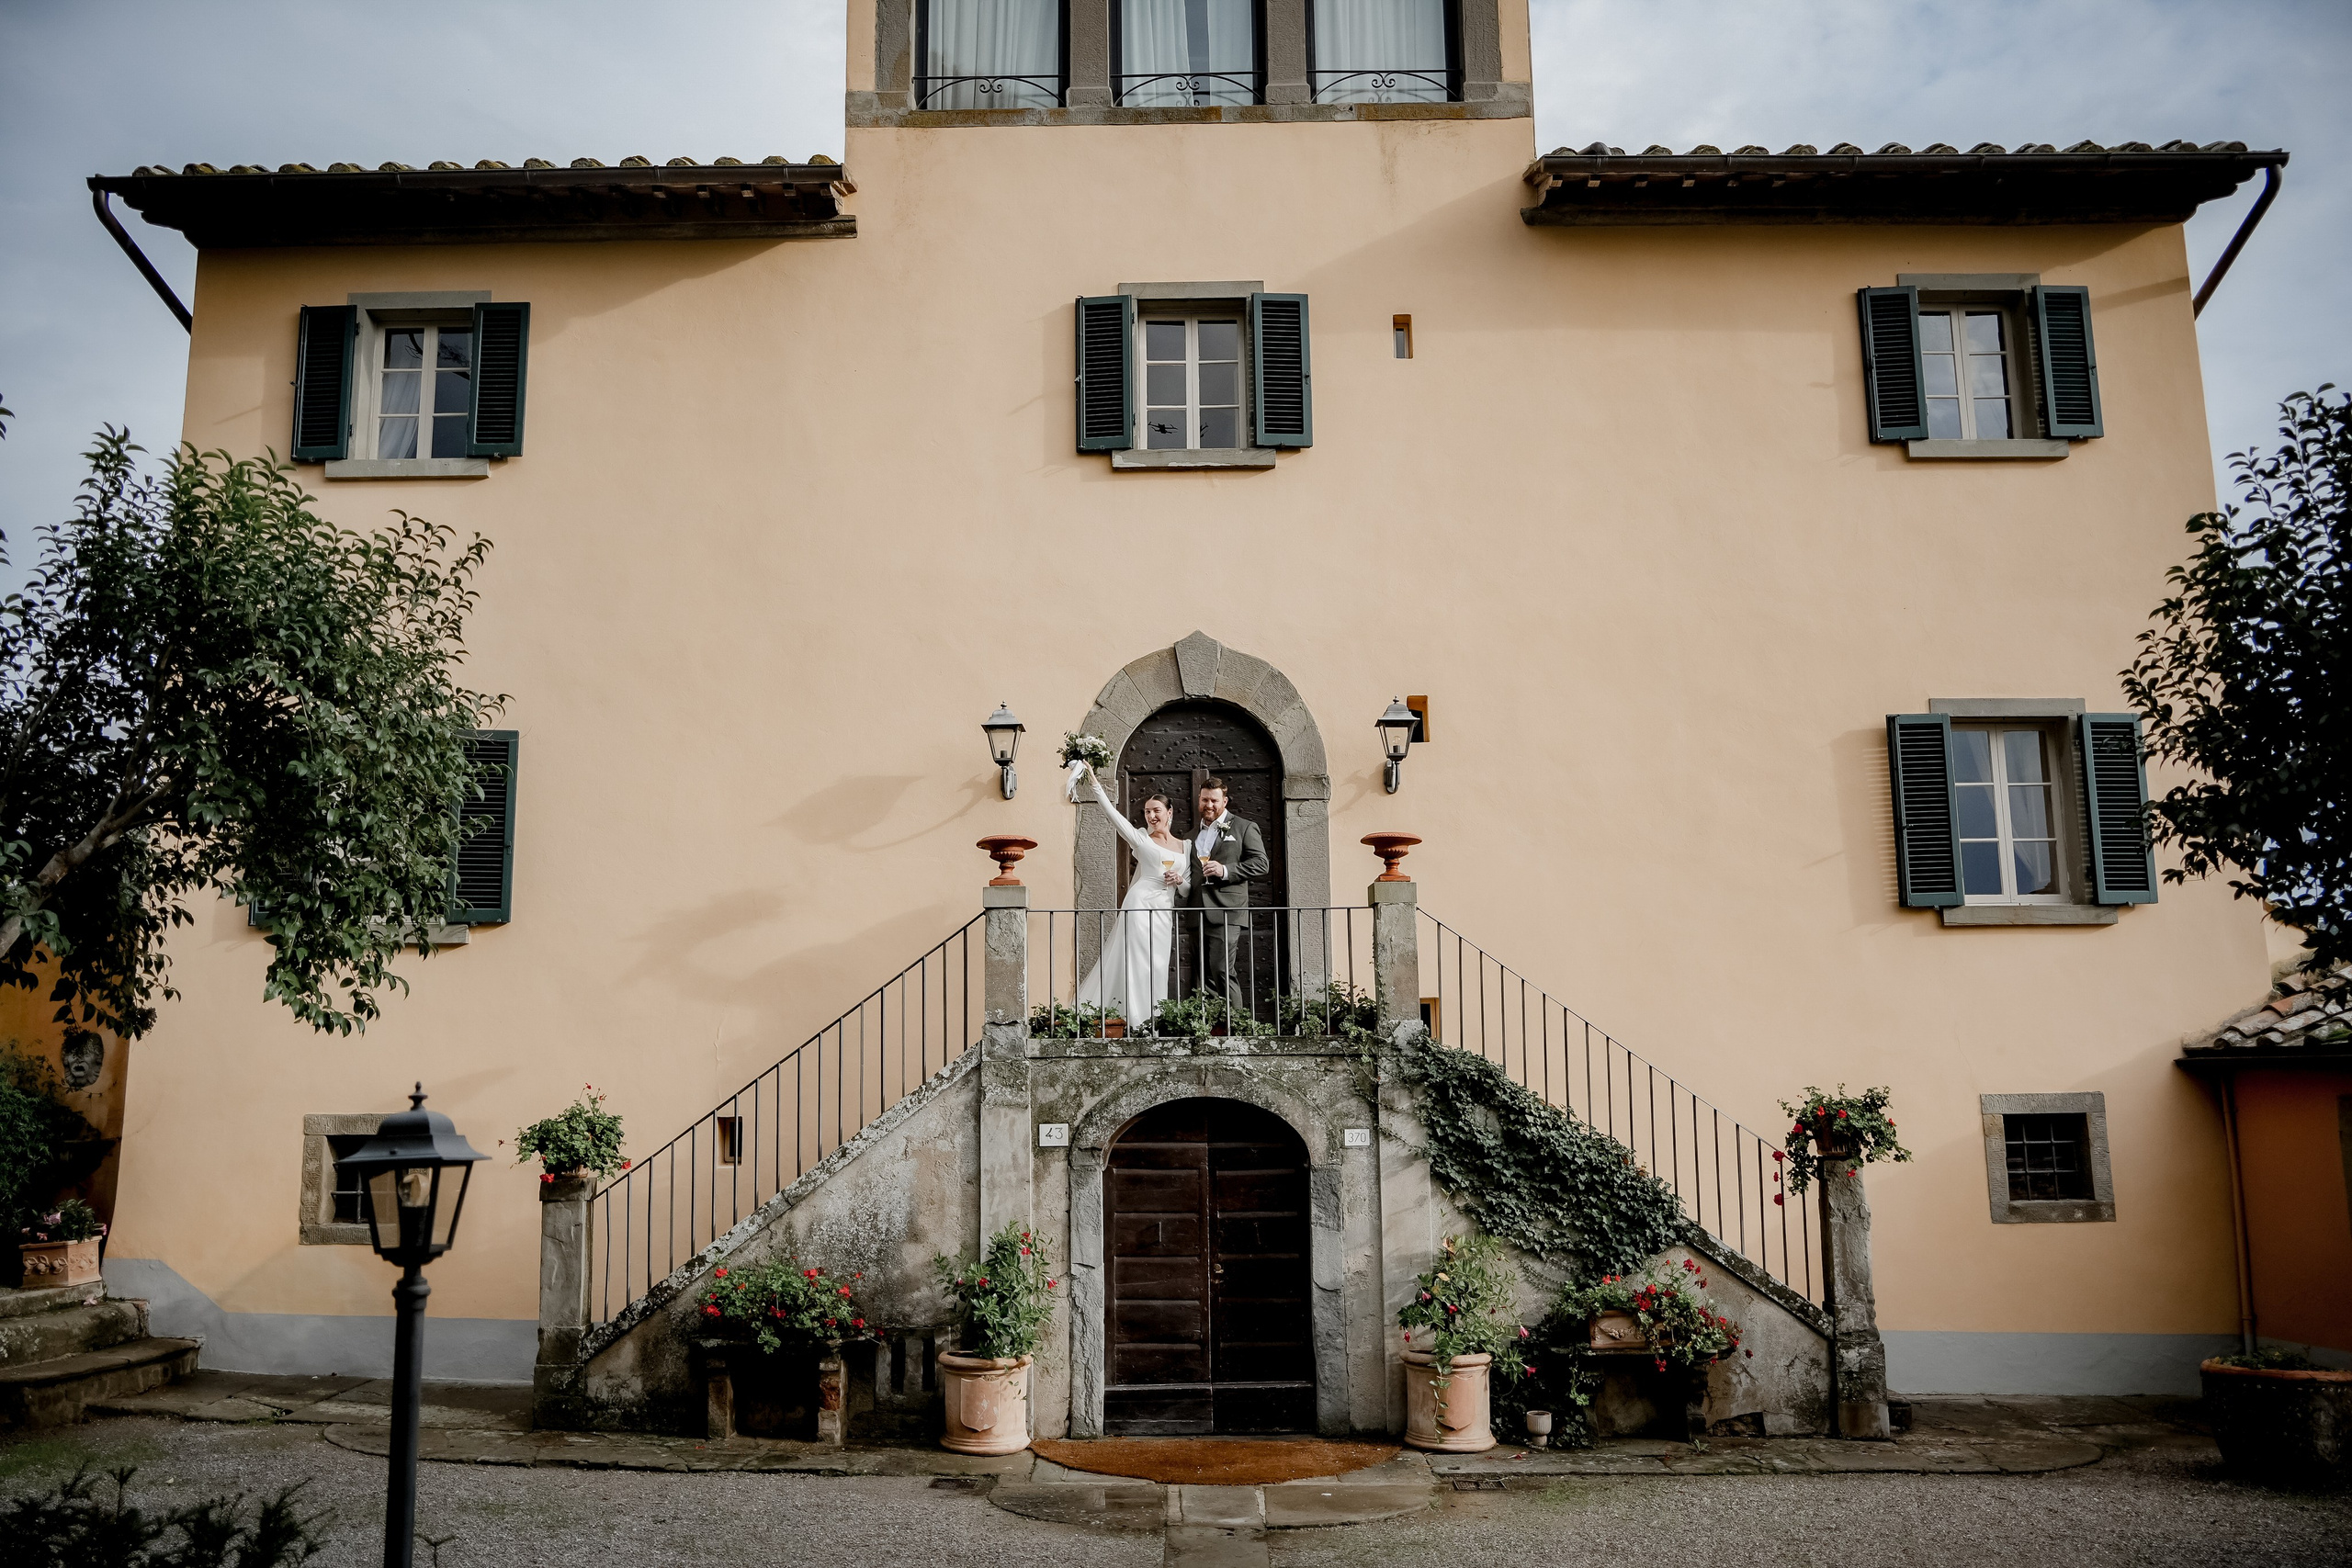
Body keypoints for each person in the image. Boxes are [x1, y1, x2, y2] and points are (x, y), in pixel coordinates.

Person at [1073, 765, 1191, 1024]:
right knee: (1137, 963)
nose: (1151, 816)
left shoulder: (1186, 846)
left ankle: (1155, 1019)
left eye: (1156, 811)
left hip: (1164, 910)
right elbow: (1114, 817)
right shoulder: (1141, 839)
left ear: (1169, 812)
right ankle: (1137, 1021)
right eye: (1147, 812)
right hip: (1139, 905)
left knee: (1158, 964)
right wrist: (1095, 784)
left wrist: (1180, 879)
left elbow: (1187, 889)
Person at [1181, 776, 1270, 1009]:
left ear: (1225, 801)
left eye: (1214, 800)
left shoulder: (1243, 827)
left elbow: (1261, 863)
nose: (1208, 805)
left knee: (1222, 970)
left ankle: (1236, 1029)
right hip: (1196, 912)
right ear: (1198, 800)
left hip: (1227, 911)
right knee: (1203, 976)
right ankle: (1212, 1028)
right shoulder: (1190, 837)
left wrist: (1226, 870)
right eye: (1204, 800)